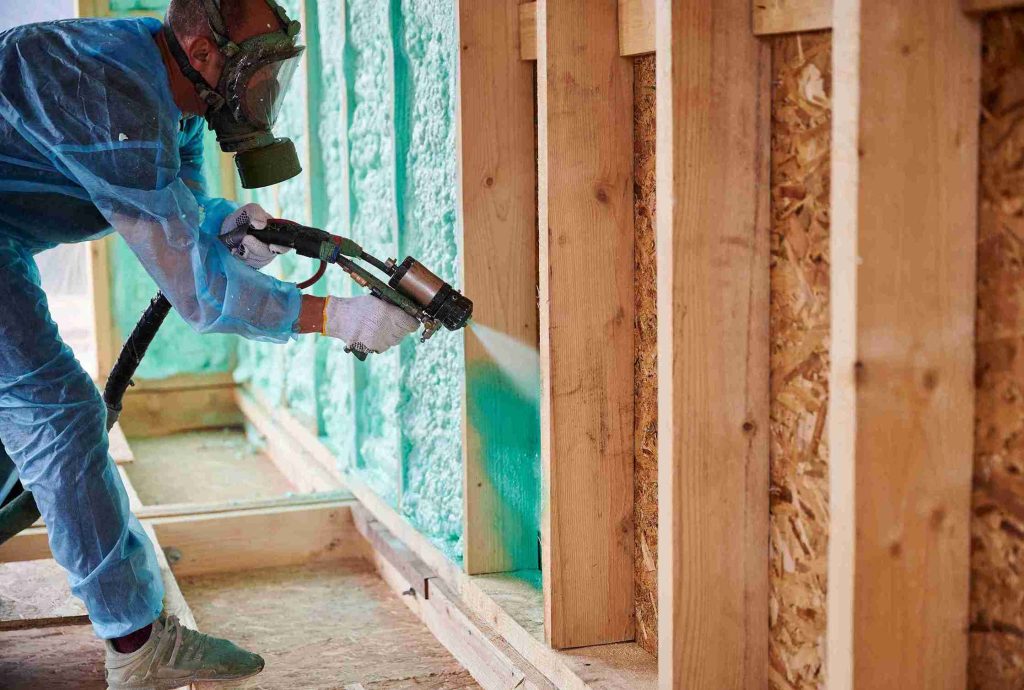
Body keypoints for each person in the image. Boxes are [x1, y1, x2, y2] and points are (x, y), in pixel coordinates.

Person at [0, 0, 418, 687]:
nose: (264, 92)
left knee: (34, 414)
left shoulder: (170, 83)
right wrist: (334, 317)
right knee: (56, 413)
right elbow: (199, 294)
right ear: (203, 53)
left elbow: (184, 212)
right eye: (256, 71)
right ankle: (138, 652)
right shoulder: (115, 96)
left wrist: (228, 225)